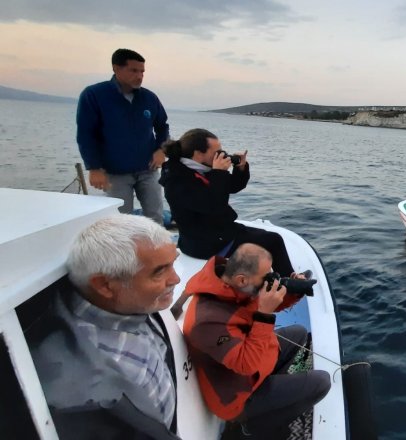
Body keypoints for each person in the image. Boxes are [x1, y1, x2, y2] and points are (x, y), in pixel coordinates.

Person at [25, 214, 181, 439]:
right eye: (160, 271)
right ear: (105, 285)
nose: (175, 279)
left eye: (173, 264)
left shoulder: (129, 303)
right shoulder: (91, 395)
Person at [182, 243, 331, 439]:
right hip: (238, 395)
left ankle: (272, 390)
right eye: (265, 279)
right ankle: (253, 428)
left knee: (299, 332)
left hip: (256, 365)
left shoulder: (232, 283)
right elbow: (246, 365)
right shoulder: (206, 321)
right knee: (321, 382)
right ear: (242, 279)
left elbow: (259, 300)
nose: (269, 282)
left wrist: (293, 291)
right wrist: (264, 315)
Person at [159, 128, 296, 277]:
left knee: (262, 235)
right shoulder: (177, 180)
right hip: (207, 243)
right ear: (198, 154)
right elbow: (214, 206)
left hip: (211, 232)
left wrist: (240, 168)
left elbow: (231, 187)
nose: (221, 155)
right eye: (216, 151)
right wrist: (219, 173)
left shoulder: (196, 168)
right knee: (274, 240)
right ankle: (290, 282)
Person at [76, 48, 170, 225]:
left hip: (148, 170)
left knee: (155, 217)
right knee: (120, 222)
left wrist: (161, 149)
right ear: (116, 68)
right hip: (115, 173)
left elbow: (162, 127)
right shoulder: (94, 95)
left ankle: (156, 251)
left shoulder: (149, 98)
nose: (140, 76)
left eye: (142, 71)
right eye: (134, 70)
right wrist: (94, 168)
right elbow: (85, 134)